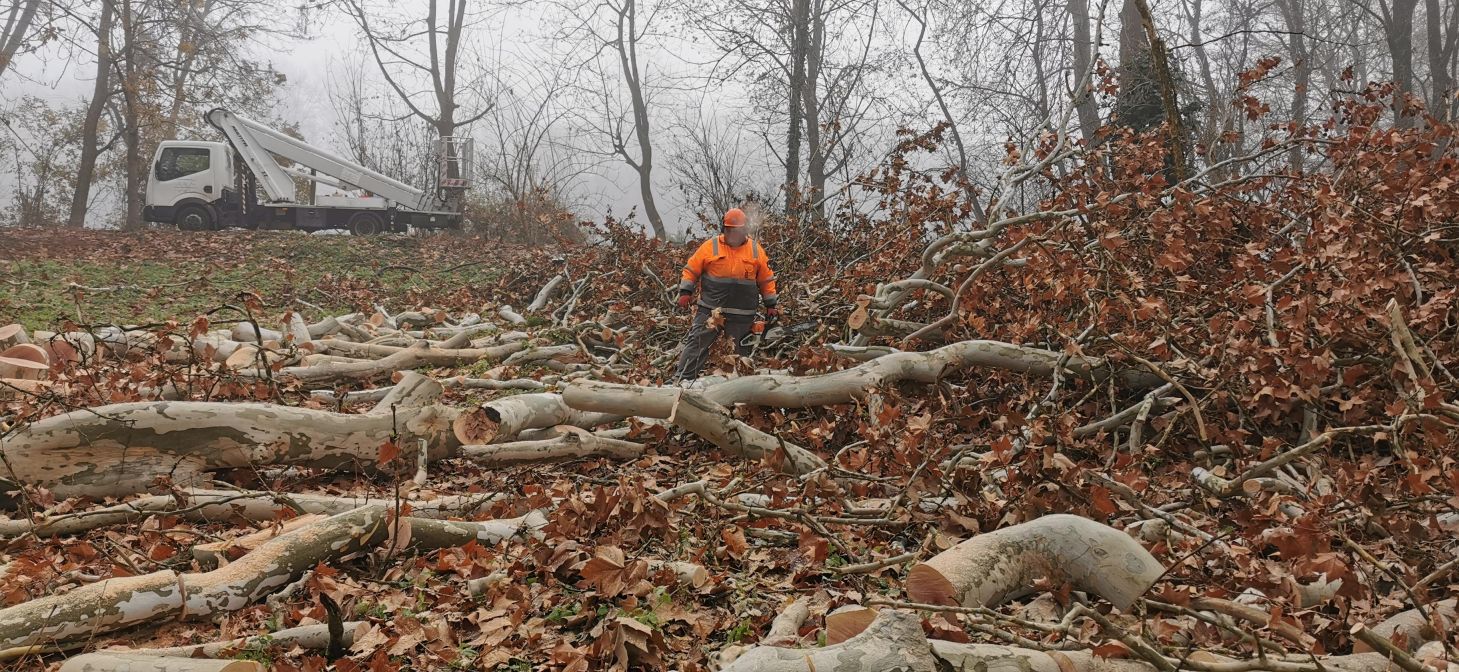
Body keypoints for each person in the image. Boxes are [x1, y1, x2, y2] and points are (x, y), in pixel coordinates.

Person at [672, 207, 779, 382]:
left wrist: (771, 305)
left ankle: (739, 387)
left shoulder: (755, 250)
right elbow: (691, 269)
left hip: (742, 313)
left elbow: (766, 280)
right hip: (711, 310)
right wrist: (685, 291)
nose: (733, 235)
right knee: (697, 343)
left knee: (740, 352)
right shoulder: (710, 246)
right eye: (730, 230)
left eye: (737, 231)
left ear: (744, 230)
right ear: (724, 229)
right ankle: (682, 380)